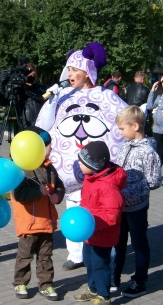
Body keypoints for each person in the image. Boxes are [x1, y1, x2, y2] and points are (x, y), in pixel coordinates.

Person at [36, 42, 126, 271]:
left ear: (88, 73)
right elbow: (43, 126)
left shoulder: (106, 96)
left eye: (76, 70)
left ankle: (104, 253)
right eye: (69, 70)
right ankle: (76, 255)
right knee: (73, 210)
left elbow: (124, 121)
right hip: (69, 173)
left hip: (97, 173)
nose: (71, 74)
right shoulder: (62, 95)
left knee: (100, 211)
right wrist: (52, 99)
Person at [112, 106, 161, 298]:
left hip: (137, 207)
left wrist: (133, 190)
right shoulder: (124, 146)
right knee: (118, 243)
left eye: (122, 129)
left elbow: (154, 181)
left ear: (136, 126)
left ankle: (140, 281)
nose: (120, 132)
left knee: (139, 244)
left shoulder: (148, 152)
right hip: (119, 206)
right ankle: (113, 279)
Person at [11, 126, 65, 301]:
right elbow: (20, 195)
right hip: (30, 223)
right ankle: (20, 282)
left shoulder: (49, 167)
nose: (50, 149)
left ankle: (47, 285)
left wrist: (58, 195)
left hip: (47, 222)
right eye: (47, 146)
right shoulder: (22, 169)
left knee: (45, 256)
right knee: (25, 256)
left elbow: (59, 185)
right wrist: (38, 193)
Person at [74, 141, 127, 305]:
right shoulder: (91, 178)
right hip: (89, 233)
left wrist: (90, 220)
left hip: (102, 234)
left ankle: (104, 295)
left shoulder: (108, 186)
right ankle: (93, 289)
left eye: (83, 163)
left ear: (94, 165)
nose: (79, 165)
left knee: (100, 265)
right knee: (88, 262)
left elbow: (111, 214)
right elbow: (86, 201)